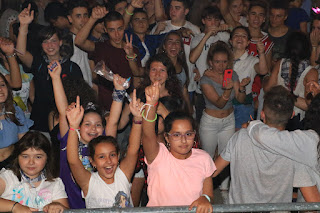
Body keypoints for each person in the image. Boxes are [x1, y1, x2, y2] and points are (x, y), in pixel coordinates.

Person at [213, 85, 320, 204]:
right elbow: (313, 201)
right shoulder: (296, 149)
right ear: (292, 115)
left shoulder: (240, 137)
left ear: (262, 114)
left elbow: (212, 171)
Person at [49, 60, 127, 208]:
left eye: (98, 125)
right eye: (87, 124)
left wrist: (119, 91)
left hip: (99, 205)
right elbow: (62, 109)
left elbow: (113, 122)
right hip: (70, 206)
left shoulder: (104, 143)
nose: (93, 129)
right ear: (77, 125)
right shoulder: (70, 139)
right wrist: (56, 78)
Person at [142, 81, 215, 213]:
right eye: (176, 135)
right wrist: (151, 104)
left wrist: (205, 199)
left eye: (188, 134)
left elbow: (208, 193)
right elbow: (147, 134)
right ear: (166, 137)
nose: (183, 140)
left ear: (194, 134)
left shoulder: (203, 158)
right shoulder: (158, 157)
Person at [66, 88, 142, 208]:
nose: (108, 161)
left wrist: (137, 119)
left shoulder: (122, 175)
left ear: (118, 156)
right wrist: (73, 126)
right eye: (101, 157)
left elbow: (133, 149)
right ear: (92, 161)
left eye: (112, 155)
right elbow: (73, 160)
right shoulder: (89, 182)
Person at [16, 4, 83, 135]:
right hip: (39, 122)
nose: (50, 45)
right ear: (41, 45)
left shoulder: (71, 67)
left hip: (64, 124)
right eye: (45, 42)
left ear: (60, 42)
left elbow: (79, 96)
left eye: (53, 41)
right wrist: (23, 26)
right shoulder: (39, 62)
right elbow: (20, 53)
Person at [76, 9, 143, 111]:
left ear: (124, 27)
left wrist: (130, 55)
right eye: (112, 30)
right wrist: (93, 19)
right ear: (106, 30)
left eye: (119, 29)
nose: (117, 34)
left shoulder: (133, 49)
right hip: (105, 105)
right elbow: (79, 42)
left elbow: (136, 73)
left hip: (127, 105)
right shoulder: (101, 47)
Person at [199, 41, 249, 158]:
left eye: (224, 62)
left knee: (226, 155)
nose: (221, 65)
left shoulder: (232, 75)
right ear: (211, 62)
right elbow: (219, 103)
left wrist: (241, 88)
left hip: (228, 120)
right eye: (217, 62)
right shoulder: (205, 80)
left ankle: (225, 177)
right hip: (210, 122)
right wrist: (227, 90)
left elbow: (240, 99)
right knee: (208, 157)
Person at [0, 131, 69, 212]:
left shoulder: (55, 183)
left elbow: (66, 210)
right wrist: (14, 207)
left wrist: (57, 206)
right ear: (17, 157)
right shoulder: (7, 177)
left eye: (38, 157)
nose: (31, 162)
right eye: (25, 156)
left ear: (47, 158)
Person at [264, 31, 318, 130]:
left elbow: (268, 89)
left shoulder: (280, 63)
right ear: (307, 49)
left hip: (277, 117)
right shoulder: (311, 72)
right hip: (297, 122)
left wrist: (267, 78)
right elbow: (310, 105)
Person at [189, 6, 230, 122]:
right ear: (203, 21)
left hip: (221, 86)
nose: (213, 22)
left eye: (216, 20)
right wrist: (207, 35)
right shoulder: (197, 38)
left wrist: (228, 28)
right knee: (201, 123)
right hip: (202, 88)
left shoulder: (224, 37)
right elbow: (192, 59)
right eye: (209, 19)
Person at [229, 26, 268, 129]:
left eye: (244, 36)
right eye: (236, 35)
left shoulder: (252, 60)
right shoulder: (224, 59)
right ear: (230, 41)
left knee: (241, 135)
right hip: (226, 103)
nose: (240, 38)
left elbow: (263, 70)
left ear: (248, 42)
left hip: (244, 105)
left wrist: (262, 53)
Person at [0, 73, 33, 169]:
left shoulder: (15, 111)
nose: (0, 89)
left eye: (2, 84)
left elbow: (24, 142)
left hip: (13, 163)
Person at [158, 31, 192, 112]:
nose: (174, 45)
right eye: (170, 42)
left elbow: (184, 90)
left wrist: (189, 110)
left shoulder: (182, 64)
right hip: (164, 107)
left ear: (180, 47)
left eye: (177, 42)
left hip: (179, 108)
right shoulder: (159, 66)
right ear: (164, 46)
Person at [67, 0, 92, 86]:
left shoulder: (88, 39)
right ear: (70, 18)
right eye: (78, 16)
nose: (83, 20)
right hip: (74, 90)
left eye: (85, 15)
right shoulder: (66, 41)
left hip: (88, 90)